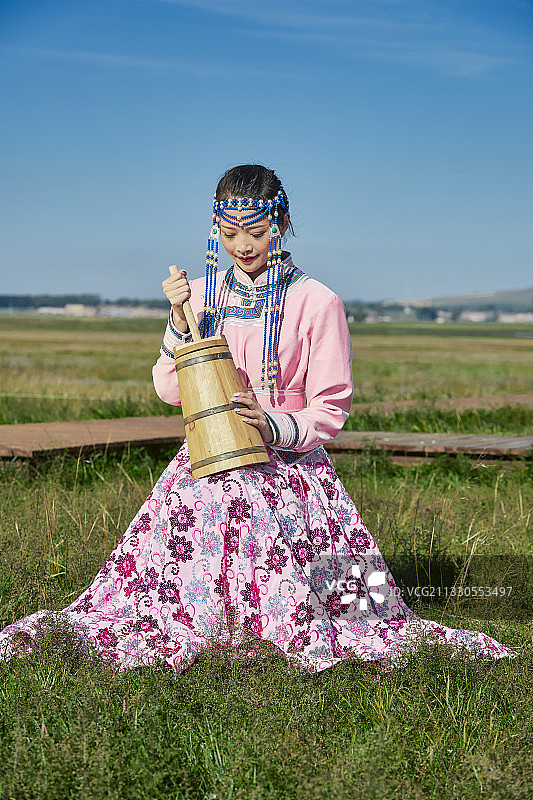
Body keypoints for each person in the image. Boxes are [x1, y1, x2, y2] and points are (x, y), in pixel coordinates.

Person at [0, 164, 518, 675]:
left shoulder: (317, 302)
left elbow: (331, 407)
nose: (243, 245)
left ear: (283, 222)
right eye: (229, 233)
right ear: (215, 231)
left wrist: (272, 425)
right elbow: (167, 388)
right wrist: (181, 321)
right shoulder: (200, 296)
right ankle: (208, 623)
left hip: (288, 467)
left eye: (256, 231)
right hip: (208, 457)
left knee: (350, 613)